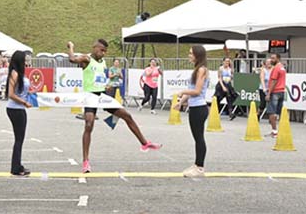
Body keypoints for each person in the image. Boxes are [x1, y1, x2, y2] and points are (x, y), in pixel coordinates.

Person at [68, 39, 162, 173]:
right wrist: (71, 47)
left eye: (105, 51)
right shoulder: (86, 59)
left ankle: (144, 143)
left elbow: (99, 77)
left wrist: (106, 85)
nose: (103, 53)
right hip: (90, 96)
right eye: (102, 50)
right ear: (95, 48)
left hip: (103, 95)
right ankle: (85, 161)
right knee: (89, 124)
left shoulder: (103, 62)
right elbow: (72, 59)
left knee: (127, 115)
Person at [175, 45, 210, 178]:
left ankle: (200, 167)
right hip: (194, 107)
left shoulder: (202, 70)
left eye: (191, 53)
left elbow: (196, 91)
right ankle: (197, 164)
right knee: (197, 138)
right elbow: (192, 89)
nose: (189, 55)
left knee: (199, 138)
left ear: (197, 55)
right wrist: (181, 102)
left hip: (199, 107)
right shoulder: (197, 70)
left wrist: (182, 91)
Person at [6, 51, 33, 176]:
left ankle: (17, 165)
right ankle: (16, 167)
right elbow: (11, 94)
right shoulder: (15, 74)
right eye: (24, 60)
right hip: (15, 108)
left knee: (20, 139)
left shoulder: (19, 74)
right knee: (19, 139)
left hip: (19, 108)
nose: (25, 63)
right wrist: (24, 102)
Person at [265, 53, 286, 138]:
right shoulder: (282, 67)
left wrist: (269, 93)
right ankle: (280, 131)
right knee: (278, 112)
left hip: (275, 92)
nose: (271, 60)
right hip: (281, 91)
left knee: (271, 112)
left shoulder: (276, 68)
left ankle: (274, 132)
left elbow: (274, 81)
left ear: (278, 58)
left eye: (273, 58)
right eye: (271, 58)